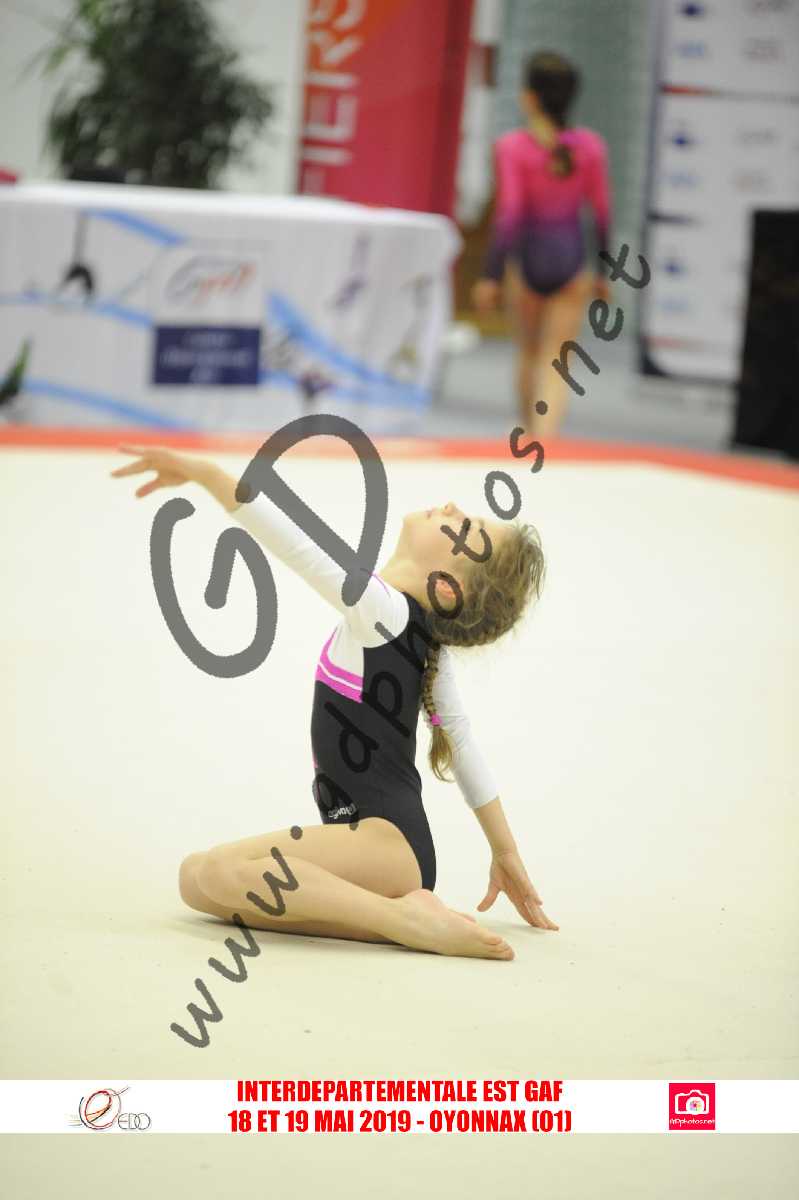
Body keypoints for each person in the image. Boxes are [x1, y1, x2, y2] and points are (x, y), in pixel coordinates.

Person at [111, 443, 560, 961]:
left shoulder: (384, 612)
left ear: (448, 587)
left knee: (216, 871)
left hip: (386, 843)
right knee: (196, 881)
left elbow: (297, 543)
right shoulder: (419, 639)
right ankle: (399, 916)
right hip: (385, 850)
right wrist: (504, 852)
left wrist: (206, 472)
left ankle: (403, 920)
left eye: (466, 529)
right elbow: (459, 741)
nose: (453, 508)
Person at [472, 50, 613, 440]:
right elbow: (602, 212)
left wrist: (491, 274)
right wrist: (605, 272)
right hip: (571, 262)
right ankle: (545, 437)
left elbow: (510, 214)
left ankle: (528, 431)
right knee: (556, 358)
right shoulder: (590, 147)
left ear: (529, 98)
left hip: (528, 261)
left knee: (529, 353)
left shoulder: (513, 147)